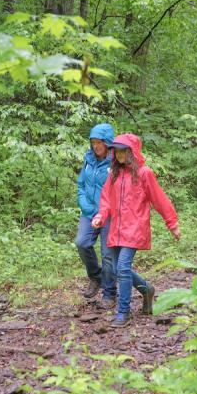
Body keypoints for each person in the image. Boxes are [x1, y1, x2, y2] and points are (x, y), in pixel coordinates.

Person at [92, 133, 180, 327]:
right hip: (116, 228)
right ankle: (147, 289)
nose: (119, 154)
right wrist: (100, 216)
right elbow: (106, 199)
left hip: (135, 227)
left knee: (122, 267)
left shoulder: (144, 173)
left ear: (132, 152)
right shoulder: (114, 174)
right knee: (118, 269)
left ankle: (123, 312)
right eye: (116, 151)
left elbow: (159, 199)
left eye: (123, 150)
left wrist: (172, 223)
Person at [75, 122, 117, 307]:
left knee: (108, 255)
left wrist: (105, 211)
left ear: (107, 142)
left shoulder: (117, 162)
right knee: (82, 243)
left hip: (109, 214)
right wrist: (84, 204)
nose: (96, 146)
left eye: (99, 142)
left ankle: (109, 294)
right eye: (93, 142)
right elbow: (81, 185)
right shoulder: (89, 159)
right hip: (89, 212)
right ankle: (96, 277)